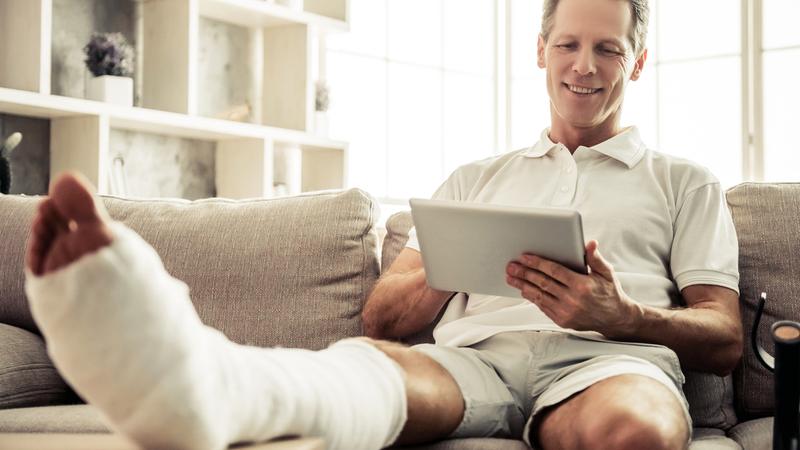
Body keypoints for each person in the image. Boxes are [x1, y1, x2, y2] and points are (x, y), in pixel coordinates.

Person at [24, 0, 741, 449]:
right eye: (568, 45)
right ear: (541, 52)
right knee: (367, 374)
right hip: (475, 364)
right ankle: (207, 390)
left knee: (638, 432)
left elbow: (726, 338)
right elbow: (380, 319)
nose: (584, 67)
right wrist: (453, 261)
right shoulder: (475, 179)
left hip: (609, 363)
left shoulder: (685, 181)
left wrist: (625, 317)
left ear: (637, 62)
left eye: (608, 48)